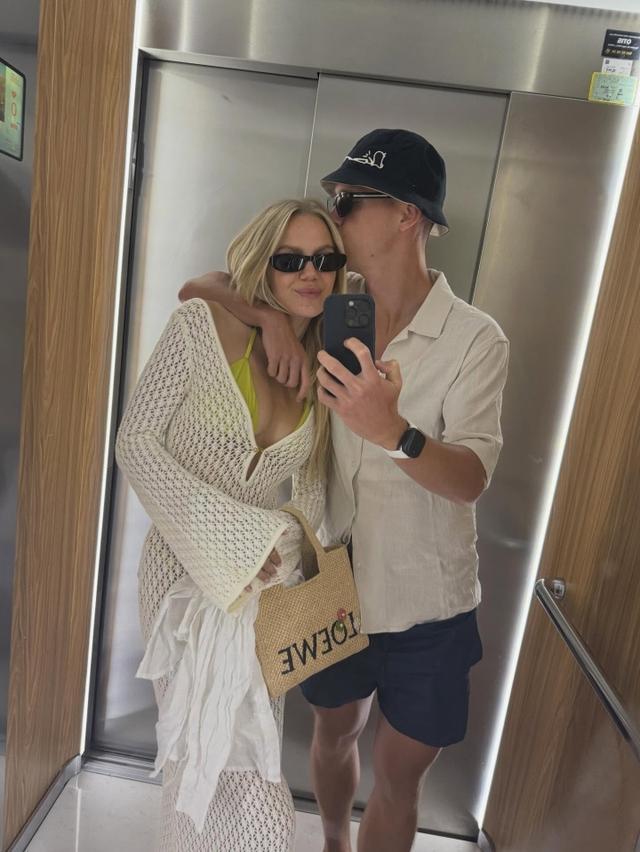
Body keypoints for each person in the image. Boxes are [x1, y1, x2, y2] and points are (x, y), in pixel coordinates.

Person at [179, 128, 509, 852]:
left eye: (351, 200)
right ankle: (333, 840)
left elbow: (471, 478)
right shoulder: (327, 302)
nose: (336, 213)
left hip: (430, 607)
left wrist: (395, 432)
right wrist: (270, 319)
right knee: (333, 734)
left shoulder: (475, 339)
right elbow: (202, 285)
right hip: (334, 586)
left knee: (399, 779)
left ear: (407, 215)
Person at [115, 198, 347, 852]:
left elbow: (312, 496)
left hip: (263, 594)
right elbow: (135, 443)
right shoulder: (202, 325)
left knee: (254, 773)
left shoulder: (327, 366)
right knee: (195, 759)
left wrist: (280, 552)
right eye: (290, 260)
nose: (310, 273)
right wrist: (236, 540)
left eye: (325, 259)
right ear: (263, 266)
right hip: (180, 579)